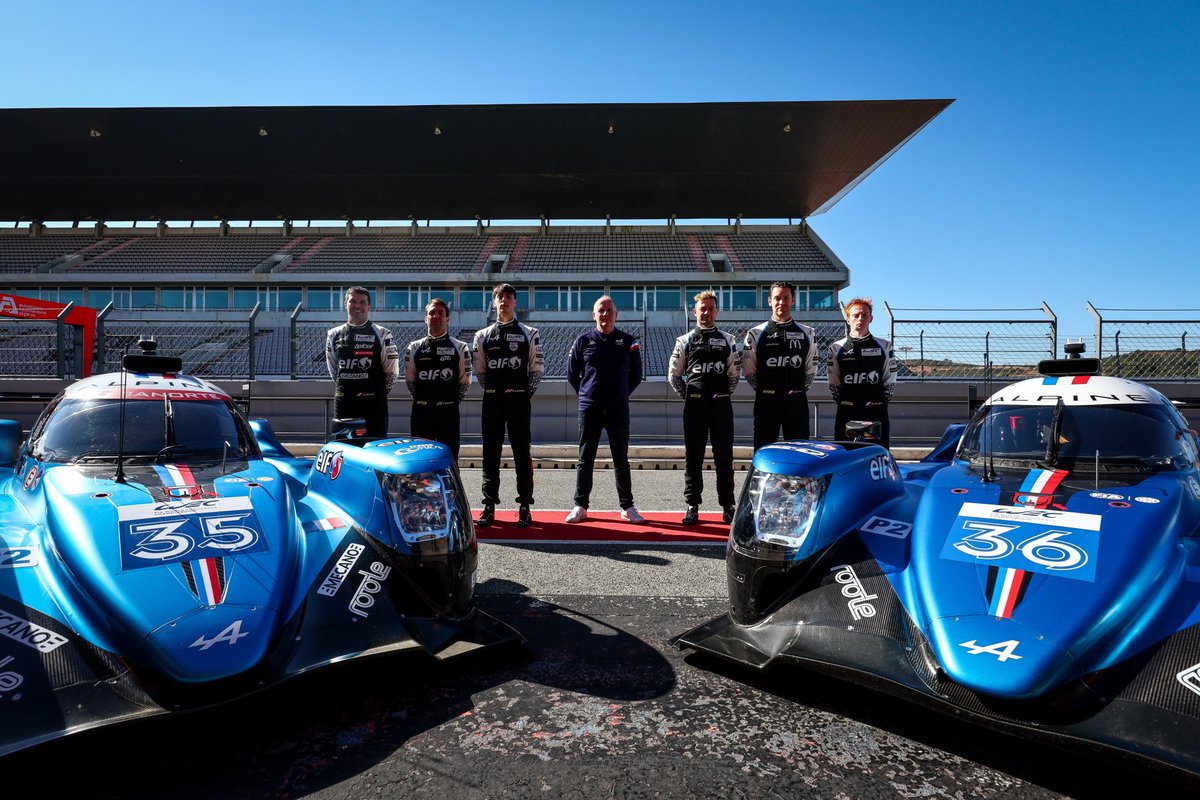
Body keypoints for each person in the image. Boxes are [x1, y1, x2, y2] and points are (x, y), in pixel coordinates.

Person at [564, 296, 645, 524]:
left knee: (621, 459)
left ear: (616, 315)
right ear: (594, 315)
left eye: (609, 310)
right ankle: (580, 505)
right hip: (590, 408)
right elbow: (572, 374)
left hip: (618, 409)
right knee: (585, 459)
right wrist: (588, 394)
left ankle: (627, 506)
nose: (605, 314)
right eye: (601, 310)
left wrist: (620, 394)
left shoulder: (629, 341)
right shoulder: (583, 341)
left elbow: (636, 375)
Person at [472, 283, 544, 528]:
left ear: (515, 303)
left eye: (509, 297)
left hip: (519, 401)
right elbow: (481, 372)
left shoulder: (530, 332)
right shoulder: (481, 336)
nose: (504, 301)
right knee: (489, 453)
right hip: (492, 401)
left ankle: (525, 505)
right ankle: (489, 505)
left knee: (522, 453)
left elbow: (535, 371)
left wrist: (520, 394)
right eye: (500, 297)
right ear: (494, 302)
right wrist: (496, 391)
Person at [668, 290, 740, 525]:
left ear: (716, 311)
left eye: (711, 308)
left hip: (721, 405)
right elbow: (674, 376)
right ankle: (692, 505)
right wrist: (689, 396)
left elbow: (734, 375)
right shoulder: (684, 340)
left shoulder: (729, 340)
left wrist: (720, 395)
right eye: (702, 308)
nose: (706, 312)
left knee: (724, 457)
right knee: (693, 457)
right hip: (695, 407)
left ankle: (728, 506)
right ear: (694, 311)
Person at [741, 280, 817, 450]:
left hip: (796, 401)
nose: (781, 302)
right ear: (769, 301)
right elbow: (749, 372)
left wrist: (795, 389)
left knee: (801, 451)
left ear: (793, 300)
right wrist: (767, 391)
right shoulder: (755, 334)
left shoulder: (808, 332)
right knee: (764, 451)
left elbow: (811, 370)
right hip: (766, 402)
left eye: (786, 298)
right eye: (777, 298)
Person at [325, 286, 399, 439]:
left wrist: (376, 394)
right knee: (343, 452)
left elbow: (392, 372)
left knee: (375, 453)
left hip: (373, 406)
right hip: (344, 403)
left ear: (369, 306)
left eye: (362, 302)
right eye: (353, 301)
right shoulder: (333, 334)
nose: (357, 306)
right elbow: (334, 371)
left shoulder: (383, 334)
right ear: (345, 304)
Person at [404, 297, 471, 460]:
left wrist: (448, 402)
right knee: (419, 461)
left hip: (448, 413)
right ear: (425, 318)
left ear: (448, 318)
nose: (436, 316)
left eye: (440, 312)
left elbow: (465, 382)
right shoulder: (413, 347)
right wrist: (425, 401)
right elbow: (410, 382)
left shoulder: (461, 347)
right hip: (421, 413)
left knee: (450, 461)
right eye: (431, 313)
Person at [827, 297, 898, 446]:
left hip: (875, 411)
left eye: (865, 315)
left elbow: (889, 380)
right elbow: (834, 382)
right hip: (847, 411)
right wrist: (846, 402)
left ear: (871, 318)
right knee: (845, 454)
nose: (860, 318)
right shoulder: (836, 348)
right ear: (848, 319)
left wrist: (877, 403)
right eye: (856, 315)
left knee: (875, 455)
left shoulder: (884, 346)